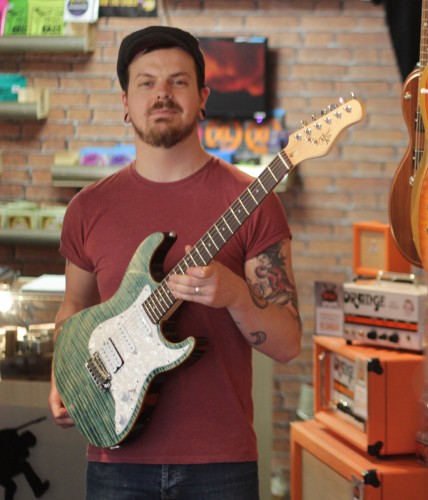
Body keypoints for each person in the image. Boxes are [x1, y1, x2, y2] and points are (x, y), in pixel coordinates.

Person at [47, 25, 302, 499]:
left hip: (219, 464)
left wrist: (236, 295)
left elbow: (288, 343)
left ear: (203, 97)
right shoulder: (88, 208)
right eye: (146, 82)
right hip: (114, 456)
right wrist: (63, 377)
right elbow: (72, 310)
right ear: (125, 100)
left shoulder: (253, 201)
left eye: (178, 81)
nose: (162, 94)